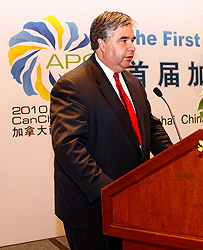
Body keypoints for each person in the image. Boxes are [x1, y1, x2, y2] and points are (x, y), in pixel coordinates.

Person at [50, 11, 173, 250]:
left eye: (133, 40)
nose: (131, 47)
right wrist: (109, 192)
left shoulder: (133, 82)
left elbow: (150, 127)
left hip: (131, 198)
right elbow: (69, 147)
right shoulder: (73, 85)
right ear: (101, 44)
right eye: (123, 40)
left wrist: (177, 159)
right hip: (93, 205)